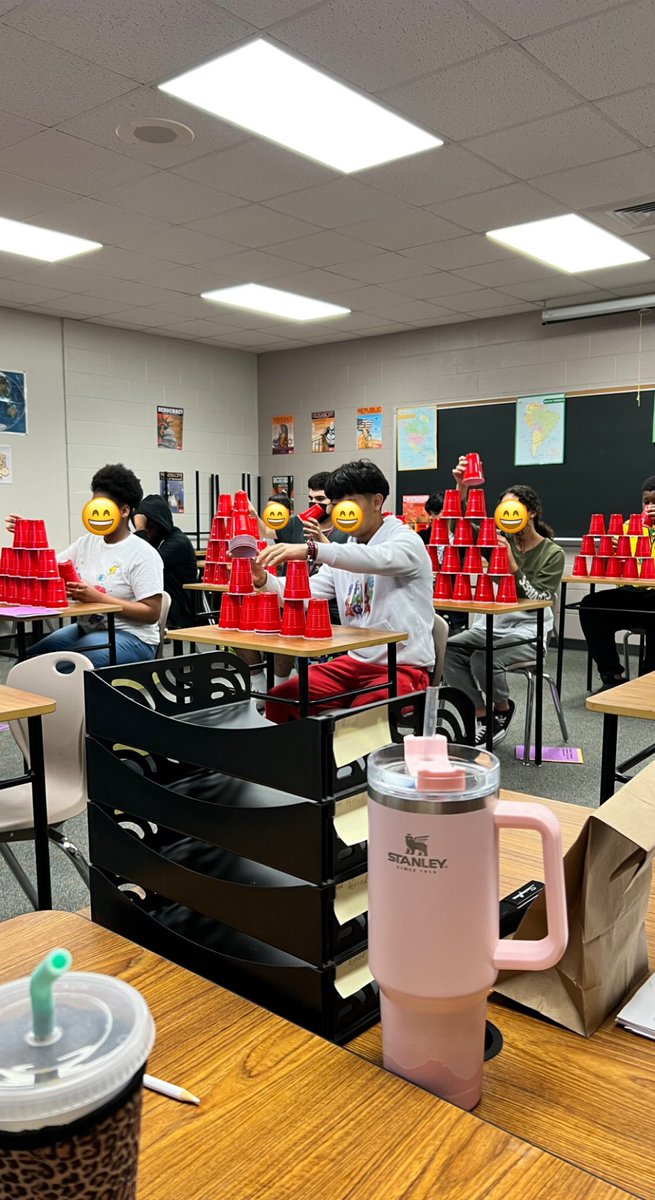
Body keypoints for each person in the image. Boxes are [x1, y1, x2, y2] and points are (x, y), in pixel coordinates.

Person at [253, 459, 435, 722]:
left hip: (403, 668)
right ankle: (302, 763)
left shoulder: (406, 541)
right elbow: (304, 592)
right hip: (352, 664)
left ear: (376, 502)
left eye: (349, 502)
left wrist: (313, 549)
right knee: (283, 698)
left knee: (362, 716)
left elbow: (377, 558)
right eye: (336, 504)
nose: (341, 511)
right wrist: (262, 580)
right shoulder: (344, 549)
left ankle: (346, 762)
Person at [444, 455, 565, 746]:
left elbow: (541, 598)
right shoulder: (496, 540)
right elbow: (457, 528)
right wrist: (461, 488)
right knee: (447, 649)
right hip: (492, 627)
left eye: (515, 509)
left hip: (528, 633)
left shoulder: (553, 553)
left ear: (532, 512)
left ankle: (502, 708)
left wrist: (511, 564)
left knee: (483, 658)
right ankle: (481, 712)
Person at [7, 464, 163, 667]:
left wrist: (98, 598)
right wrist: (29, 536)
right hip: (89, 629)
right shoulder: (86, 543)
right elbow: (47, 569)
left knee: (65, 666)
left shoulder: (143, 553)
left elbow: (152, 613)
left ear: (124, 511)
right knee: (28, 661)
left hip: (134, 637)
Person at [579, 475, 655, 689]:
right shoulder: (629, 526)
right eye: (646, 502)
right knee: (590, 606)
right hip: (631, 595)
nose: (650, 507)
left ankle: (648, 680)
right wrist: (612, 550)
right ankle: (612, 675)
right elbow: (617, 566)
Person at [133, 494, 197, 628]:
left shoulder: (178, 542)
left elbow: (145, 564)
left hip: (180, 609)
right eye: (145, 527)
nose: (147, 532)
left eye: (150, 527)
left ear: (161, 524)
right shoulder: (155, 542)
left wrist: (140, 530)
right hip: (161, 604)